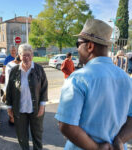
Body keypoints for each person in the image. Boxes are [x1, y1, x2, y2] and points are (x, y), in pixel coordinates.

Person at [55, 19, 132, 150]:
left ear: (90, 46)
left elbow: (66, 125)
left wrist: (97, 147)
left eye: (78, 44)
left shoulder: (78, 79)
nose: (77, 48)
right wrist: (119, 140)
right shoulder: (127, 79)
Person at [6, 43, 48, 150]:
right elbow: (9, 90)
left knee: (37, 136)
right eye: (24, 55)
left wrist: (42, 106)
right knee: (22, 137)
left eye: (28, 55)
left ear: (32, 55)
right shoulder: (14, 71)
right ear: (19, 55)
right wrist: (9, 107)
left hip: (36, 109)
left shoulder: (39, 69)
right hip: (19, 110)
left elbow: (44, 88)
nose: (26, 57)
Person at [3, 55, 21, 125]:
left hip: (8, 88)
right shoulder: (13, 66)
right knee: (13, 105)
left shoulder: (9, 64)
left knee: (11, 105)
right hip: (11, 89)